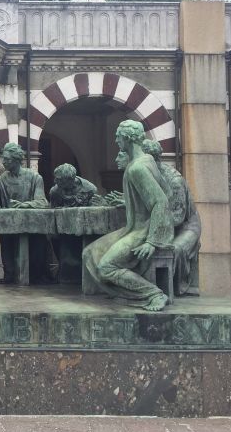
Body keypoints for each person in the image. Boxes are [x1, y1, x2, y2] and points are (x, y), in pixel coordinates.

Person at [81, 120, 172, 311]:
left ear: (127, 138)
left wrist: (151, 241)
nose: (116, 140)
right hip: (133, 227)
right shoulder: (146, 160)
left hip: (143, 231)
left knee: (106, 266)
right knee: (89, 253)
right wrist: (131, 202)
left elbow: (161, 201)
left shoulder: (138, 168)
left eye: (118, 136)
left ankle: (154, 294)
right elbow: (166, 191)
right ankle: (122, 292)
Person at [142, 139, 201, 295]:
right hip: (163, 225)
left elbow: (177, 217)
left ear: (152, 159)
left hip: (186, 228)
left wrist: (149, 226)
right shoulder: (149, 176)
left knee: (175, 250)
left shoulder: (174, 181)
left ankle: (171, 291)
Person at [0, 142, 50, 284]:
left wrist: (25, 204)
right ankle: (10, 274)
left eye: (6, 159)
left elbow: (43, 202)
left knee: (36, 249)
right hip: (10, 225)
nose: (3, 162)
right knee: (7, 243)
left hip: (32, 226)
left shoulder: (34, 178)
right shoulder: (2, 179)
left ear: (16, 160)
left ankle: (35, 276)